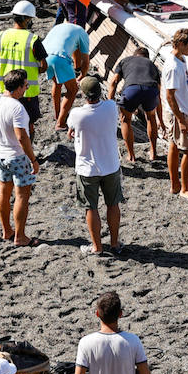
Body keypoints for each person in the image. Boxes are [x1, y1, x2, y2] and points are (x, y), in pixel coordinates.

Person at [0, 68, 42, 246]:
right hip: (17, 156)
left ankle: (7, 230)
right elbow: (22, 137)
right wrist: (33, 159)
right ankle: (20, 236)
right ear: (19, 87)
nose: (26, 88)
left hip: (0, 155)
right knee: (22, 196)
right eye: (25, 85)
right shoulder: (17, 108)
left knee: (4, 192)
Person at [68, 76, 122, 255]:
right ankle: (114, 243)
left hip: (87, 167)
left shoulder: (77, 114)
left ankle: (97, 247)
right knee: (113, 205)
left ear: (84, 95)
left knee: (91, 207)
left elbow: (70, 129)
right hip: (111, 164)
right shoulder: (111, 107)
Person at [0, 1, 49, 129]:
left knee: (8, 123)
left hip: (5, 89)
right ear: (26, 19)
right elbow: (44, 65)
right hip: (27, 92)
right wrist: (37, 71)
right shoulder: (32, 39)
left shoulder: (2, 36)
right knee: (28, 124)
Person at [161, 28, 188, 201]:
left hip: (182, 111)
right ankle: (185, 188)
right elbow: (170, 96)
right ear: (181, 44)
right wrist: (181, 121)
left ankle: (175, 185)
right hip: (179, 114)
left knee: (174, 147)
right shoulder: (173, 66)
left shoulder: (180, 59)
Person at [108, 46, 162, 164]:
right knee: (150, 118)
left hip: (131, 90)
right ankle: (153, 152)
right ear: (147, 57)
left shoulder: (125, 60)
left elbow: (113, 82)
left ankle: (131, 156)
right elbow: (159, 96)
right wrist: (161, 121)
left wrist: (109, 103)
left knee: (125, 120)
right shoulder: (153, 66)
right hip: (150, 90)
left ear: (134, 55)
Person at [42, 20, 91, 130]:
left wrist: (76, 68)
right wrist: (83, 75)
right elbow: (86, 61)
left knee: (57, 83)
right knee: (73, 90)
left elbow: (75, 51)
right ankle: (60, 123)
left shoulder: (60, 27)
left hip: (44, 56)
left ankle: (57, 114)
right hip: (59, 58)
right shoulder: (82, 33)